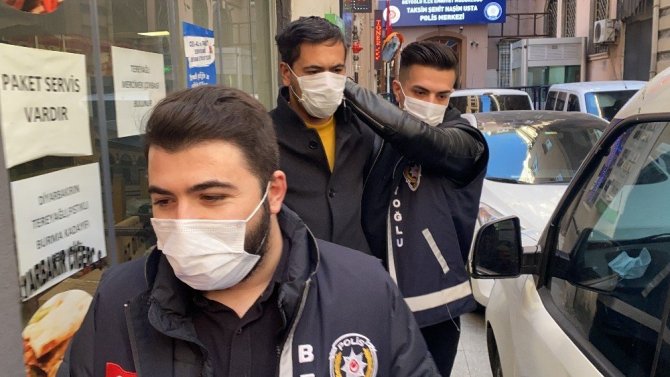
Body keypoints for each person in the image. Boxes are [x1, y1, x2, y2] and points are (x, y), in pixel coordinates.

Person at [57, 86, 439, 376]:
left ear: (272, 192)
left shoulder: (363, 290)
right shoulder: (119, 301)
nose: (184, 221)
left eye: (210, 197)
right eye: (164, 201)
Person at [344, 41, 489, 376]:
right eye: (421, 92)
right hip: (373, 303)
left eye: (442, 96)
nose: (431, 104)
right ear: (398, 90)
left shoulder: (465, 141)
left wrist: (344, 85)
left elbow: (422, 139)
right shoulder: (376, 137)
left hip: (435, 310)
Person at [270, 16, 376, 253]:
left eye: (336, 69)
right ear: (286, 73)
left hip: (356, 276)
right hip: (294, 283)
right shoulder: (261, 139)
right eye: (314, 71)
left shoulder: (363, 131)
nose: (327, 81)